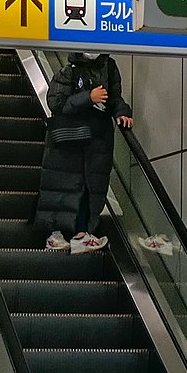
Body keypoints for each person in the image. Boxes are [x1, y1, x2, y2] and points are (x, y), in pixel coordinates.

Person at [35, 51, 131, 252]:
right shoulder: (67, 71)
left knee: (91, 187)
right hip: (69, 141)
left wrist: (122, 112)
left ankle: (81, 234)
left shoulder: (109, 67)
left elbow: (114, 98)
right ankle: (57, 234)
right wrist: (88, 97)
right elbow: (56, 103)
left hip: (97, 140)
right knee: (63, 185)